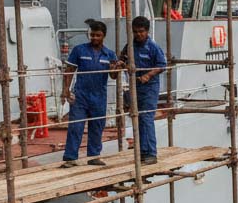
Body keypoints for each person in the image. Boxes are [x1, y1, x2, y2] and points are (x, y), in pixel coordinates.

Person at [60, 20, 120, 168]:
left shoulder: (109, 54)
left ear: (103, 36)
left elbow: (113, 76)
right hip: (80, 95)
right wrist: (65, 89)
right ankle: (70, 158)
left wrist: (116, 68)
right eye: (92, 35)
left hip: (99, 97)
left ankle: (94, 156)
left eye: (98, 35)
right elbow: (69, 70)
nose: (94, 38)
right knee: (76, 126)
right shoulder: (79, 50)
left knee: (97, 127)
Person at [120, 16, 166, 164]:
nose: (138, 34)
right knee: (138, 118)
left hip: (149, 88)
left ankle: (151, 153)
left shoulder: (153, 47)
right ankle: (142, 151)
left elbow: (162, 65)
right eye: (135, 32)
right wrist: (121, 64)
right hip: (135, 86)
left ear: (147, 31)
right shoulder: (130, 46)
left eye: (141, 31)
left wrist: (148, 75)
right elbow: (122, 59)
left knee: (146, 118)